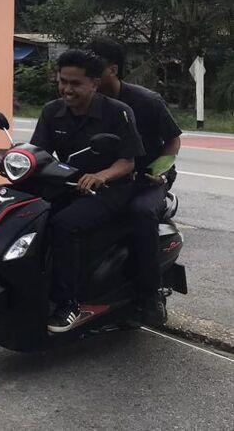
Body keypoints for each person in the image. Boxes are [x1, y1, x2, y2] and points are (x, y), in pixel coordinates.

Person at [30, 49, 144, 333]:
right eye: (62, 81)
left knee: (64, 224)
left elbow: (127, 162)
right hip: (69, 183)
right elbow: (39, 152)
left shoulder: (118, 112)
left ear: (94, 83)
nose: (67, 89)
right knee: (29, 213)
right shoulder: (52, 111)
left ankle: (68, 303)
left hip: (111, 188)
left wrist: (101, 176)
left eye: (75, 83)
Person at [89, 37, 182, 326]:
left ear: (112, 69)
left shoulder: (147, 101)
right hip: (107, 177)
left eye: (95, 68)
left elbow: (173, 141)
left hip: (146, 179)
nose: (89, 75)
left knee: (141, 212)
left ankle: (150, 295)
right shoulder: (86, 101)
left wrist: (159, 172)